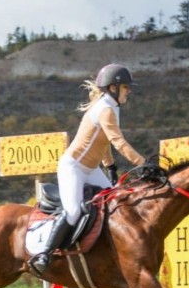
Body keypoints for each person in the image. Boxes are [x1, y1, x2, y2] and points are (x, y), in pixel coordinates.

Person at [30, 64, 146, 274]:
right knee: (73, 212)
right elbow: (117, 141)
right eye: (126, 87)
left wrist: (109, 165)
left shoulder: (111, 106)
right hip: (73, 167)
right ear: (113, 87)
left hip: (91, 168)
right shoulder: (105, 109)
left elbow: (103, 142)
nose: (129, 91)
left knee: (115, 202)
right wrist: (142, 163)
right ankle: (44, 254)